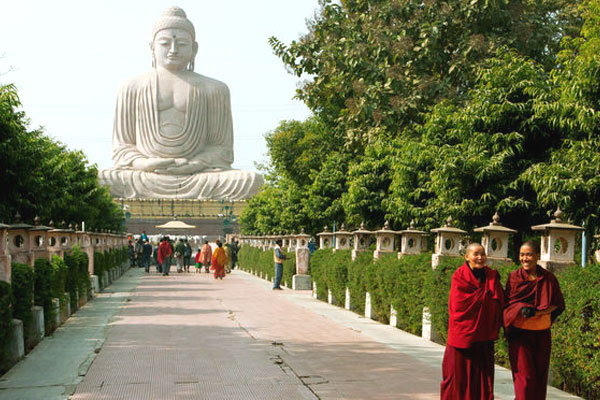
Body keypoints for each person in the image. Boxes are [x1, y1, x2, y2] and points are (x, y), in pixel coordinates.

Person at [98, 6, 263, 200]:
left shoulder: (215, 88)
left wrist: (194, 164)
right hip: (146, 175)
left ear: (195, 48)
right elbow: (122, 148)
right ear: (152, 47)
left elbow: (221, 149)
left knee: (250, 181)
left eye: (182, 44)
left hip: (198, 175)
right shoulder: (131, 86)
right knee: (102, 180)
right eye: (165, 43)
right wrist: (146, 164)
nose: (173, 50)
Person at [441, 243, 505, 400]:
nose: (480, 257)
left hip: (484, 336)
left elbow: (500, 303)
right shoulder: (460, 276)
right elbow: (458, 306)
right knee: (457, 377)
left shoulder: (491, 276)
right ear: (467, 257)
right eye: (476, 254)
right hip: (462, 336)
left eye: (483, 254)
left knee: (481, 378)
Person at [504, 241, 565, 400]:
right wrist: (521, 308)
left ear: (537, 256)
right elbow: (508, 306)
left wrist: (537, 312)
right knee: (524, 379)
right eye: (522, 254)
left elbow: (556, 304)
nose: (525, 258)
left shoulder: (548, 278)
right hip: (520, 335)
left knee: (539, 377)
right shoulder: (514, 278)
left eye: (529, 254)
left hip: (541, 334)